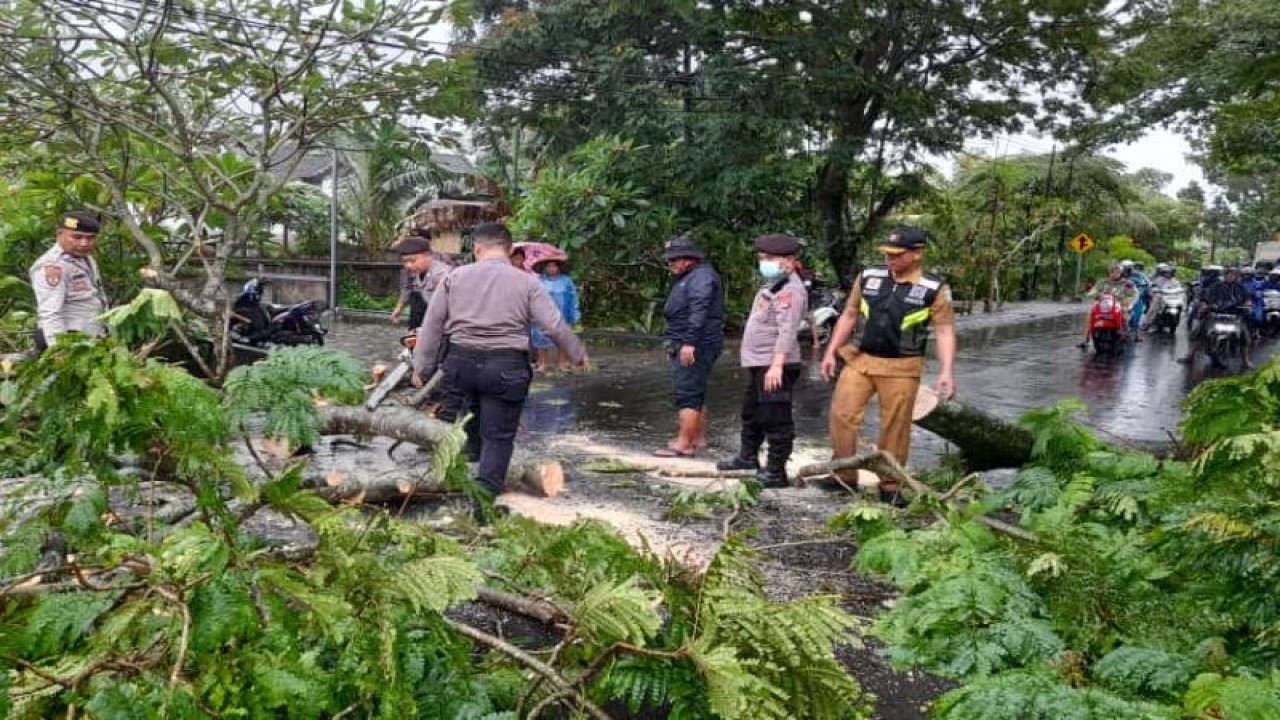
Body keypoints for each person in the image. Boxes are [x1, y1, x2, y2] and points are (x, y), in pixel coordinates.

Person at [410, 222, 588, 522]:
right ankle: (482, 508)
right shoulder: (527, 282)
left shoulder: (454, 277)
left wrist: (422, 367)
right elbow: (554, 324)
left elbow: (432, 325)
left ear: (477, 248)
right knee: (498, 437)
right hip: (505, 367)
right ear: (508, 249)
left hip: (460, 364)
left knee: (467, 427)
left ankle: (463, 492)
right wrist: (577, 354)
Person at [820, 227, 956, 507]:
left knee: (895, 425)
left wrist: (946, 372)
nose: (889, 260)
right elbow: (849, 314)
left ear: (917, 254)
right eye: (886, 254)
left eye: (896, 255)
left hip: (902, 367)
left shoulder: (934, 288)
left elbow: (944, 330)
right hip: (860, 359)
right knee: (841, 414)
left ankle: (890, 485)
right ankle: (844, 475)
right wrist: (831, 351)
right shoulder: (869, 276)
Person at [715, 234, 809, 488]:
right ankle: (747, 458)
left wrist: (777, 365)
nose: (764, 263)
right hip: (760, 363)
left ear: (788, 261)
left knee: (775, 417)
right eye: (761, 258)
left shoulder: (790, 290)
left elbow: (787, 330)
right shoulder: (775, 285)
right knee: (752, 412)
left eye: (769, 258)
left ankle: (776, 472)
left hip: (775, 365)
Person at [655, 235, 725, 458]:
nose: (670, 264)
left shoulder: (701, 277)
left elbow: (699, 310)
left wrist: (689, 342)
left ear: (688, 259)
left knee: (688, 392)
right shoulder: (692, 276)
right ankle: (696, 438)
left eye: (674, 260)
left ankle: (683, 443)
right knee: (696, 390)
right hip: (691, 339)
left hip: (696, 341)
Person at [30, 211, 108, 353]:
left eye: (90, 238)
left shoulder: (86, 258)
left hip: (90, 338)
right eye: (77, 237)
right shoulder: (53, 266)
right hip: (69, 341)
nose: (84, 243)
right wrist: (59, 351)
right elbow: (50, 313)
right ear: (59, 234)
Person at [1179, 266, 1252, 369]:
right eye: (1228, 274)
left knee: (1244, 336)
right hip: (1215, 314)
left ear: (1237, 276)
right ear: (1225, 275)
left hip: (1235, 316)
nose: (1230, 276)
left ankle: (1245, 361)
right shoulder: (1217, 286)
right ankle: (1189, 356)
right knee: (1197, 332)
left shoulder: (1241, 287)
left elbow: (1247, 299)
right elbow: (1206, 298)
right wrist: (1205, 305)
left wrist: (1247, 305)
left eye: (1233, 275)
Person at [389, 229, 450, 329]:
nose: (408, 265)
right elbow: (407, 287)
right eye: (405, 261)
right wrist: (399, 307)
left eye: (413, 261)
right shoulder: (416, 269)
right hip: (420, 301)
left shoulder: (442, 272)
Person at [530, 256, 581, 372]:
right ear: (544, 268)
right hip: (542, 314)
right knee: (540, 337)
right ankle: (544, 363)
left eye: (554, 266)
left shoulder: (566, 280)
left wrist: (574, 312)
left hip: (562, 313)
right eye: (549, 266)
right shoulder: (538, 281)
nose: (552, 269)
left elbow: (573, 297)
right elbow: (532, 298)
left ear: (559, 267)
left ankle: (562, 363)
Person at [1077, 262, 1137, 348]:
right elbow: (1094, 291)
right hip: (1103, 303)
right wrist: (1093, 295)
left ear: (1121, 273)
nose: (1114, 274)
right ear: (1109, 272)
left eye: (1117, 272)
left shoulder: (1127, 283)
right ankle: (1086, 340)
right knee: (1090, 315)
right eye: (1112, 272)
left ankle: (1124, 332)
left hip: (1119, 303)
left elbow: (1133, 294)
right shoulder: (1103, 282)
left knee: (1125, 315)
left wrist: (1127, 302)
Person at [1141, 263, 1180, 331]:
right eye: (1166, 272)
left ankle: (1174, 322)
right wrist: (1155, 290)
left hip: (1170, 297)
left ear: (1172, 273)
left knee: (1179, 306)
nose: (1167, 274)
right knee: (1153, 309)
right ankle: (1146, 323)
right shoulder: (1159, 279)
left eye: (1169, 273)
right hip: (1159, 296)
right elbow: (1153, 286)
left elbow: (1178, 290)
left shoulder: (1176, 282)